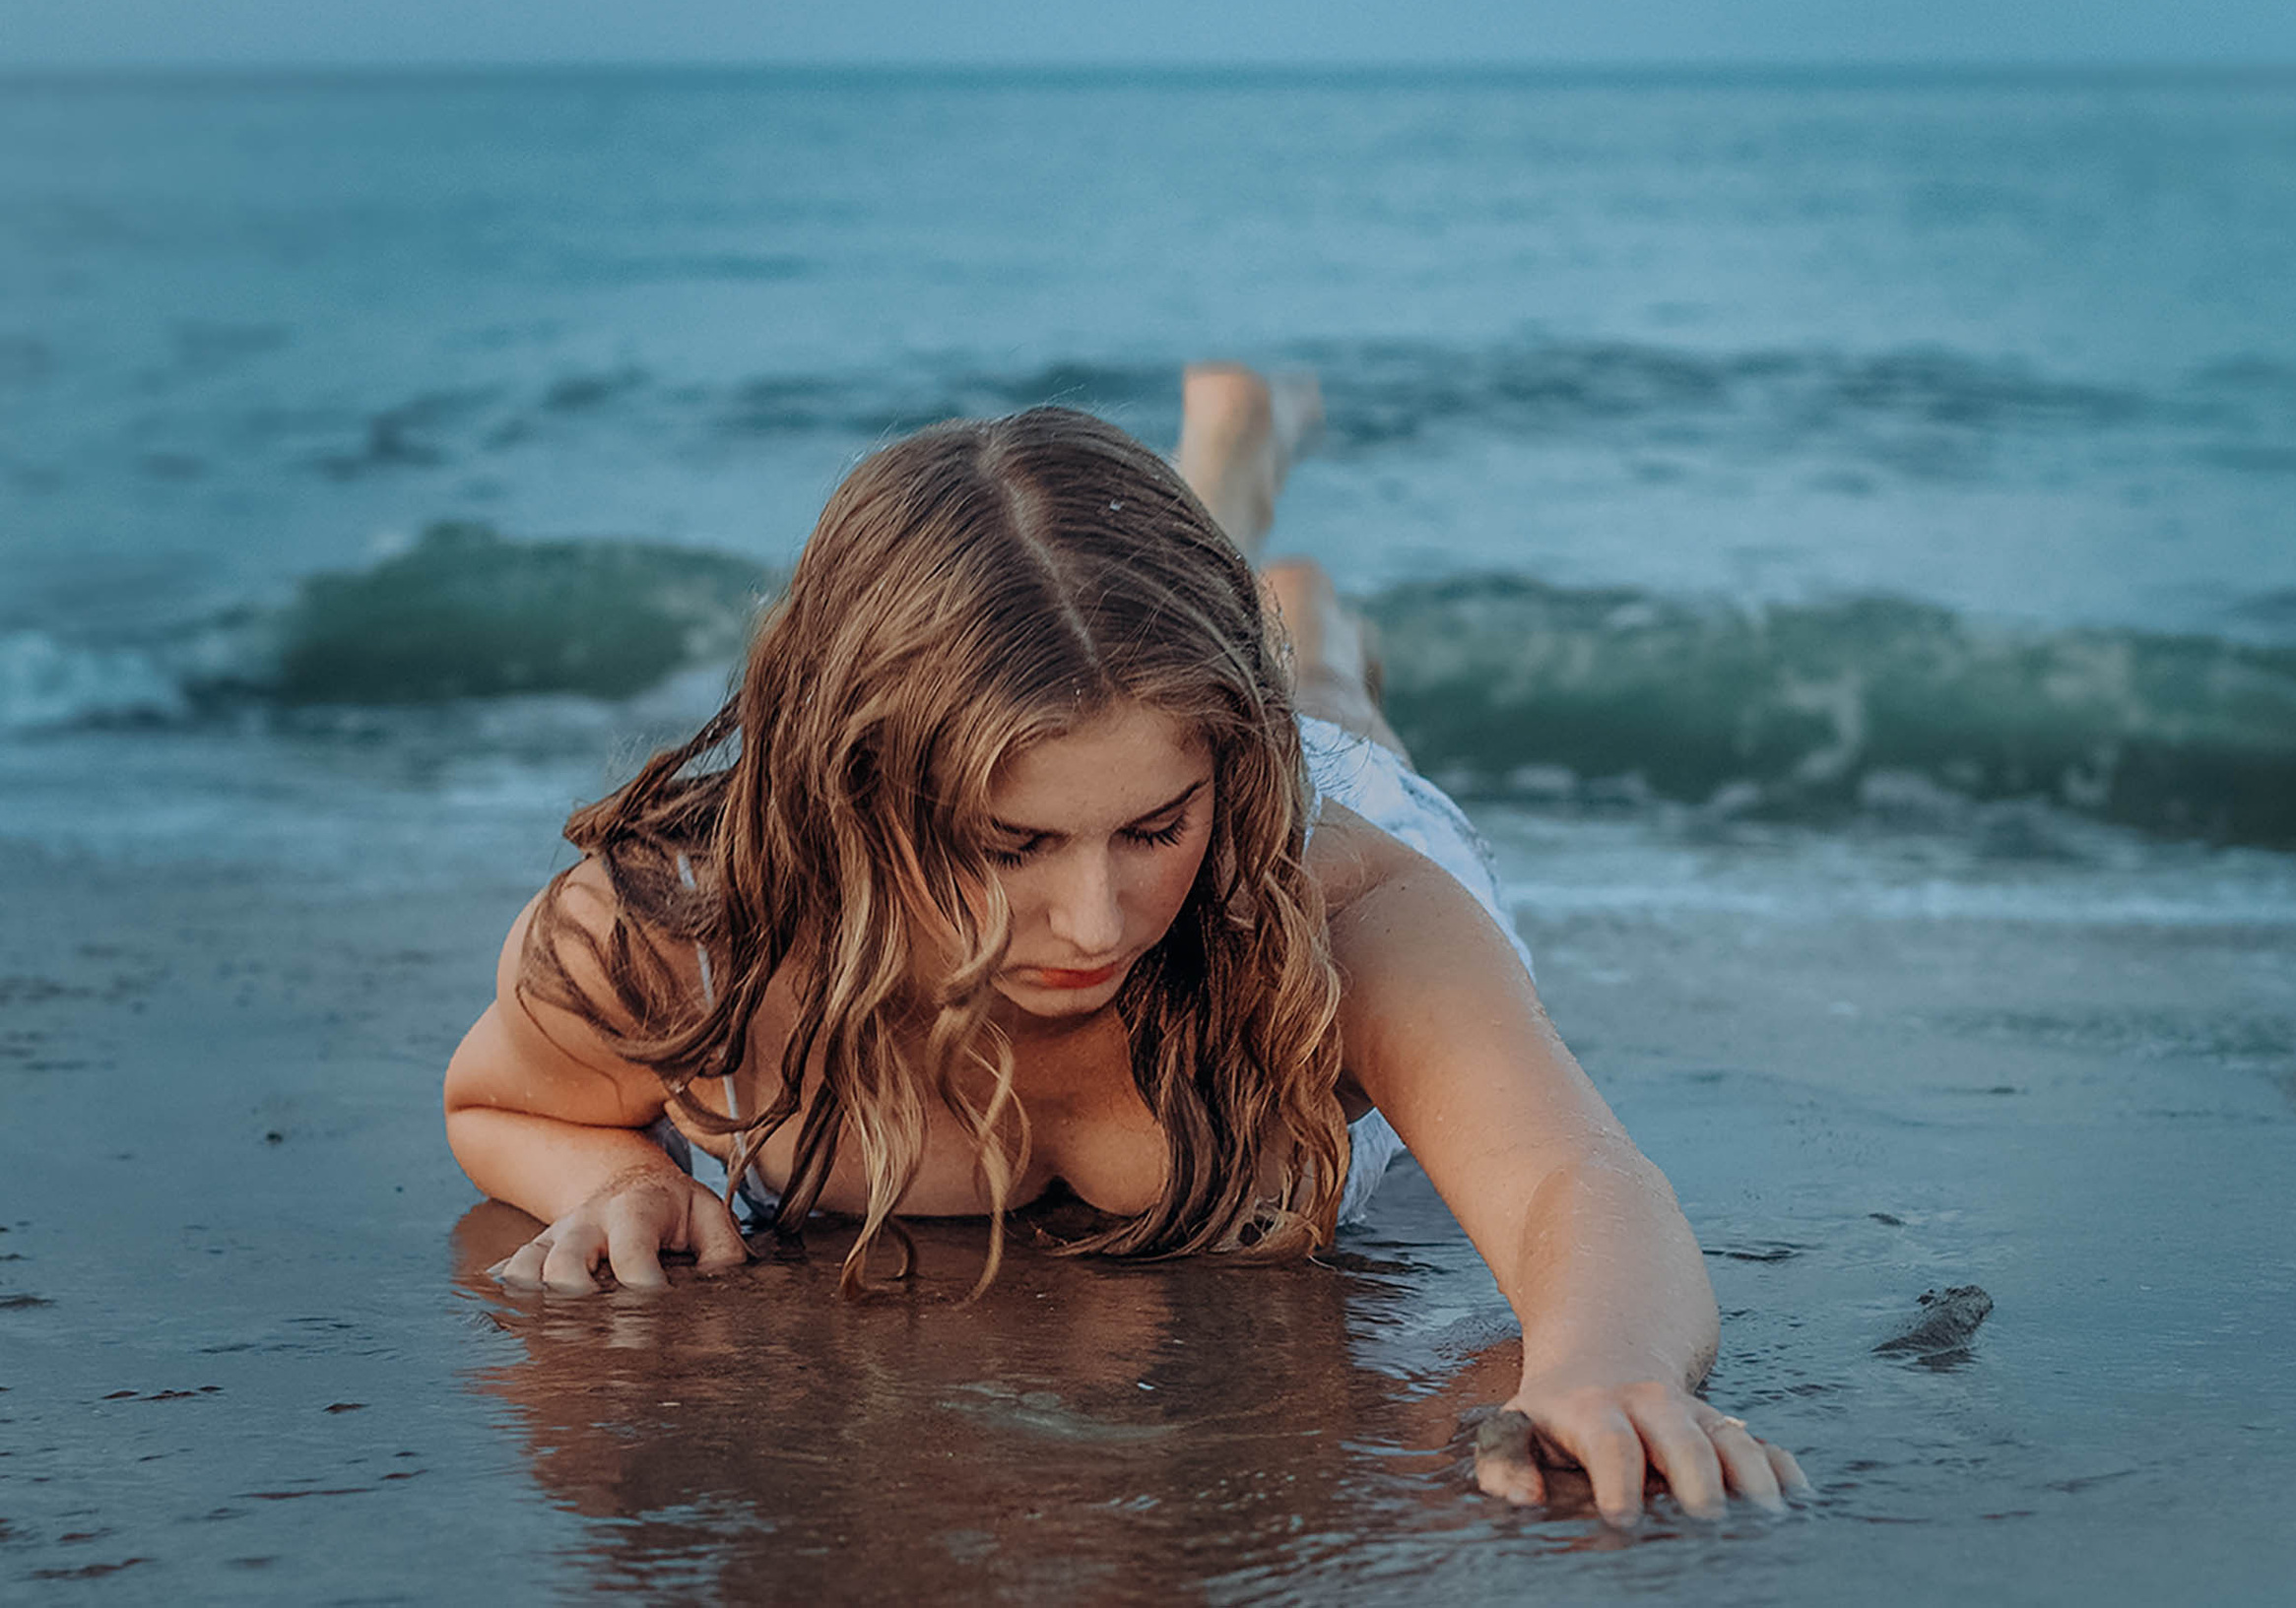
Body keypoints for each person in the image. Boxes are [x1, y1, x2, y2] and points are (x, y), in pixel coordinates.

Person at [441, 363, 1810, 1525]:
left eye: (1151, 831)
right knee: (1123, 645)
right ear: (851, 791)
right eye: (1006, 845)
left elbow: (1578, 1178)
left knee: (1289, 688)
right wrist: (607, 1174)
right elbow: (494, 1101)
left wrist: (1602, 1363)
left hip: (1291, 822)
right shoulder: (684, 938)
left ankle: (1314, 633)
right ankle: (1236, 487)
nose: (1097, 926)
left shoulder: (1336, 906)